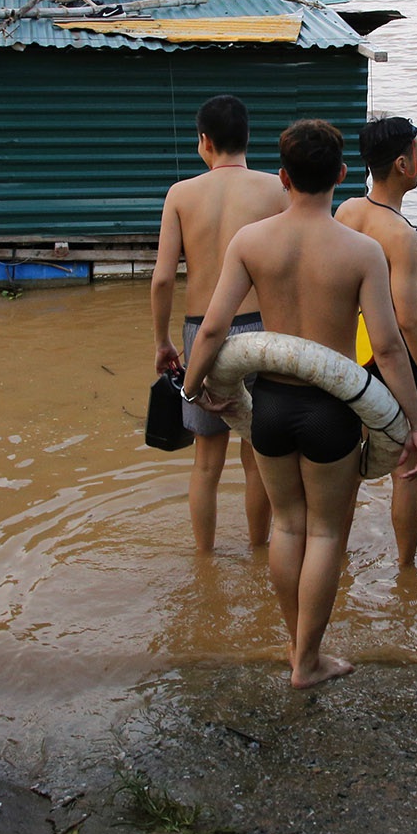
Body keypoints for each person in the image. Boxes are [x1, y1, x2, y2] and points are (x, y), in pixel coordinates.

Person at [184, 120, 417, 688]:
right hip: (332, 412)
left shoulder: (251, 241)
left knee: (288, 528)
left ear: (283, 177)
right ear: (341, 175)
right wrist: (414, 422)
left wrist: (196, 387)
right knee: (324, 534)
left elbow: (216, 327)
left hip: (268, 406)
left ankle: (296, 647)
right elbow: (390, 347)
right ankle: (308, 661)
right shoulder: (362, 250)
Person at [151, 94, 288, 554]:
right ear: (248, 138)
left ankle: (204, 561)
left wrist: (163, 341)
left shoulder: (181, 194)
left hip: (200, 330)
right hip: (261, 330)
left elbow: (164, 277)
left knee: (206, 463)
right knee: (258, 458)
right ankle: (258, 551)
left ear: (204, 142)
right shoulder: (276, 190)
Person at [336, 116, 417, 568]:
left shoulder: (347, 212)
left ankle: (337, 561)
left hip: (350, 356)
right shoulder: (400, 237)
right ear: (403, 164)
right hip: (391, 360)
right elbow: (409, 321)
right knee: (408, 465)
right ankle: (407, 571)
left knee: (346, 469)